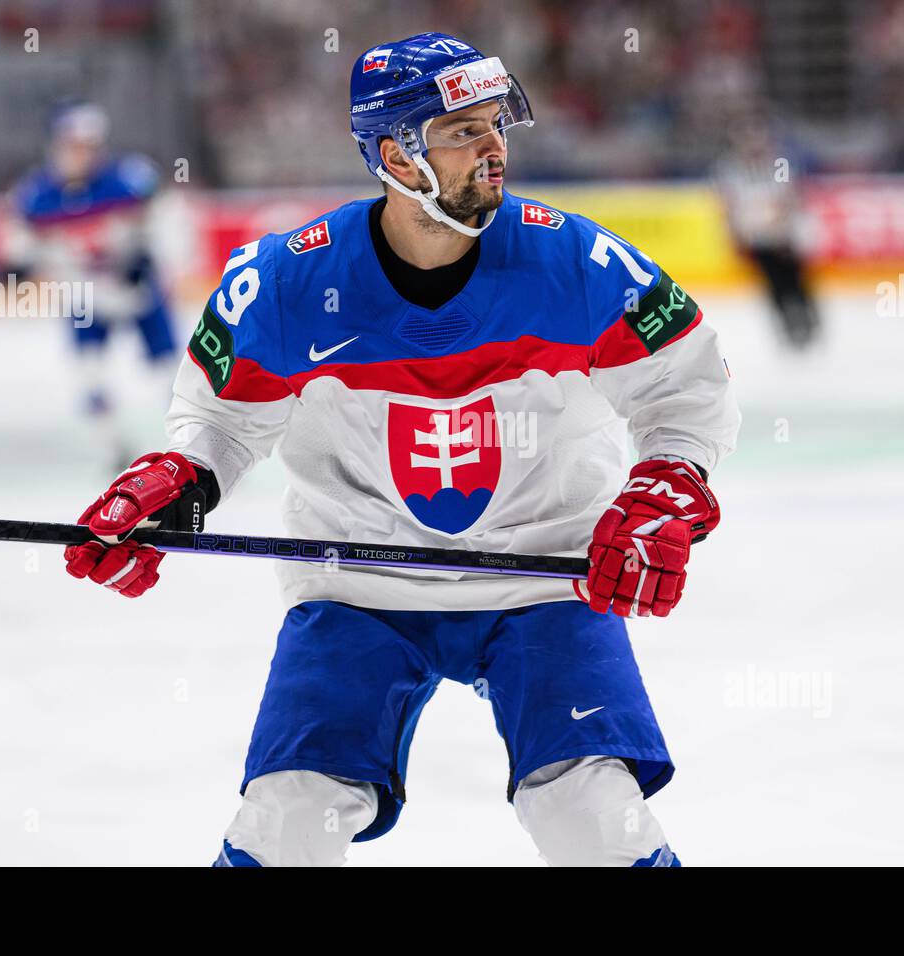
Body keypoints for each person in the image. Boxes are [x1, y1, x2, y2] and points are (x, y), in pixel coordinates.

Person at [63, 33, 740, 866]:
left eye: (496, 124)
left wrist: (667, 485)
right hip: (358, 582)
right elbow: (224, 422)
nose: (493, 148)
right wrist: (178, 481)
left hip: (543, 576)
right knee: (289, 822)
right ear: (395, 154)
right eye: (462, 132)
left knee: (594, 817)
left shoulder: (575, 260)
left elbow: (685, 388)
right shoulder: (285, 282)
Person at [0, 99, 177, 469]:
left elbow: (167, 221)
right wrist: (13, 269)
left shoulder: (130, 179)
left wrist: (146, 257)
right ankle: (114, 448)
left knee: (169, 371)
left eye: (90, 145)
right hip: (84, 295)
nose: (83, 153)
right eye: (75, 144)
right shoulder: (36, 194)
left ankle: (191, 446)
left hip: (136, 290)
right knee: (88, 374)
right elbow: (17, 248)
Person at [714, 115, 822, 348]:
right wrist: (736, 233)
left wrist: (781, 222)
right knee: (772, 283)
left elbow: (788, 195)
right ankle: (787, 325)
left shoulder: (779, 164)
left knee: (795, 278)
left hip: (783, 234)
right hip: (756, 236)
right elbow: (728, 202)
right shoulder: (730, 169)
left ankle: (808, 320)